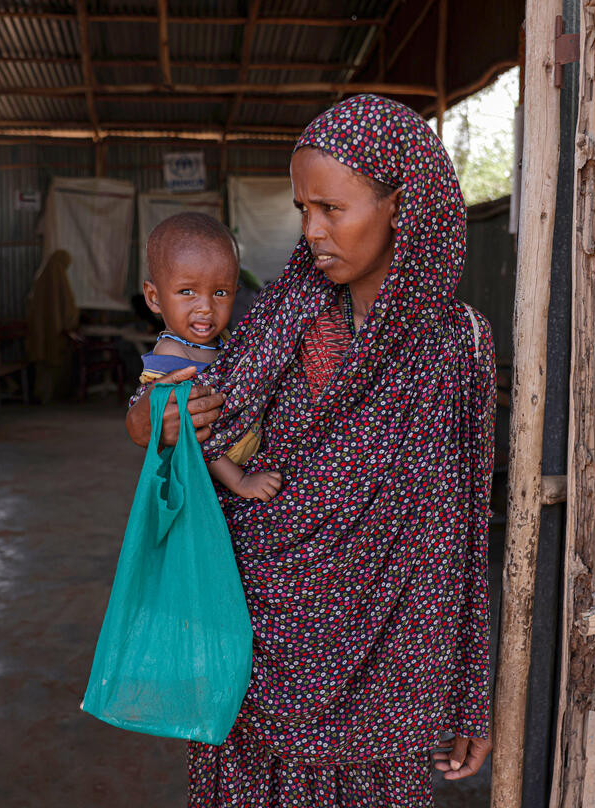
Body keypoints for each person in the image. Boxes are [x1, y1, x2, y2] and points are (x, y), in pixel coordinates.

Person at [126, 94, 495, 806]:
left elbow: (462, 533)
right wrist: (151, 419)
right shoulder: (285, 318)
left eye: (333, 208)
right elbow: (185, 417)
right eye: (303, 210)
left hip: (390, 667)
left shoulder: (455, 346)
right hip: (258, 648)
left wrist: (466, 692)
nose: (313, 231)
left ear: (401, 205)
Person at [139, 212, 282, 502]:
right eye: (187, 291)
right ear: (154, 297)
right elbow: (191, 439)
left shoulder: (225, 340)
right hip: (206, 483)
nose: (205, 307)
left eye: (220, 292)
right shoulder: (172, 358)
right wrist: (240, 481)